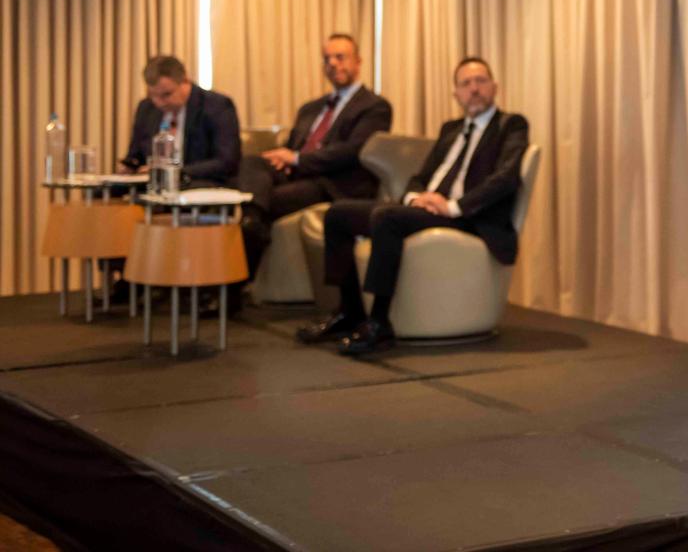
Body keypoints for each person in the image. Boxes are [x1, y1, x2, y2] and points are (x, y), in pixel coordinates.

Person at [297, 57, 529, 356]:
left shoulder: (511, 125)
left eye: (480, 81)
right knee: (338, 214)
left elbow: (505, 178)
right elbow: (420, 177)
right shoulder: (451, 129)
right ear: (456, 93)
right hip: (429, 209)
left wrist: (453, 206)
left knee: (387, 217)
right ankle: (349, 311)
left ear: (494, 87)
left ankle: (379, 322)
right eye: (465, 83)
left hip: (470, 217)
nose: (474, 89)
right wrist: (415, 198)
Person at [237, 33, 393, 280]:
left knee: (269, 198)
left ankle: (237, 280)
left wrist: (296, 159)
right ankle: (251, 218)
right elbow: (292, 147)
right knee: (252, 162)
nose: (332, 64)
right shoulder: (310, 108)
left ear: (358, 61)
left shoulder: (374, 106)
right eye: (327, 59)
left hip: (332, 183)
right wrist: (284, 160)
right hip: (296, 175)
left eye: (340, 57)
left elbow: (353, 151)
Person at [118, 55, 242, 186]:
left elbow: (227, 162)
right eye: (153, 95)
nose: (159, 102)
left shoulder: (217, 106)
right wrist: (130, 167)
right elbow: (135, 155)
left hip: (200, 185)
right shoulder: (146, 107)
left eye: (166, 94)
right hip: (154, 187)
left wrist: (177, 172)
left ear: (185, 81)